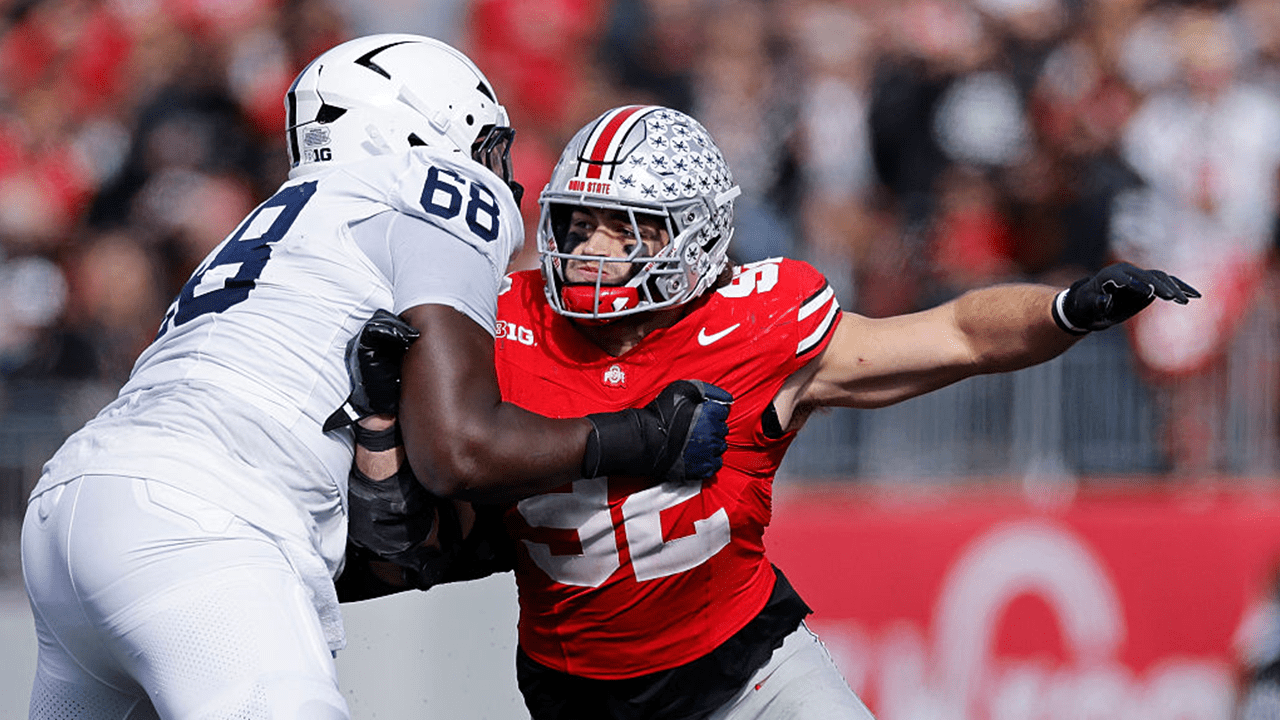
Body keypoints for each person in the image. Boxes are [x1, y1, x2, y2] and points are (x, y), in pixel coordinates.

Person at [338, 105, 1200, 720]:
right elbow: (406, 531)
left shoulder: (758, 322)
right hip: (582, 695)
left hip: (751, 672)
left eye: (624, 228)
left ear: (697, 235)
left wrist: (1065, 310)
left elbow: (955, 335)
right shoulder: (499, 322)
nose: (589, 250)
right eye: (579, 223)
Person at [18, 40, 731, 720]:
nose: (500, 175)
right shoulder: (428, 185)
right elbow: (459, 448)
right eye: (485, 146)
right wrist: (643, 437)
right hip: (199, 515)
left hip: (70, 507)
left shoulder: (276, 226)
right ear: (424, 130)